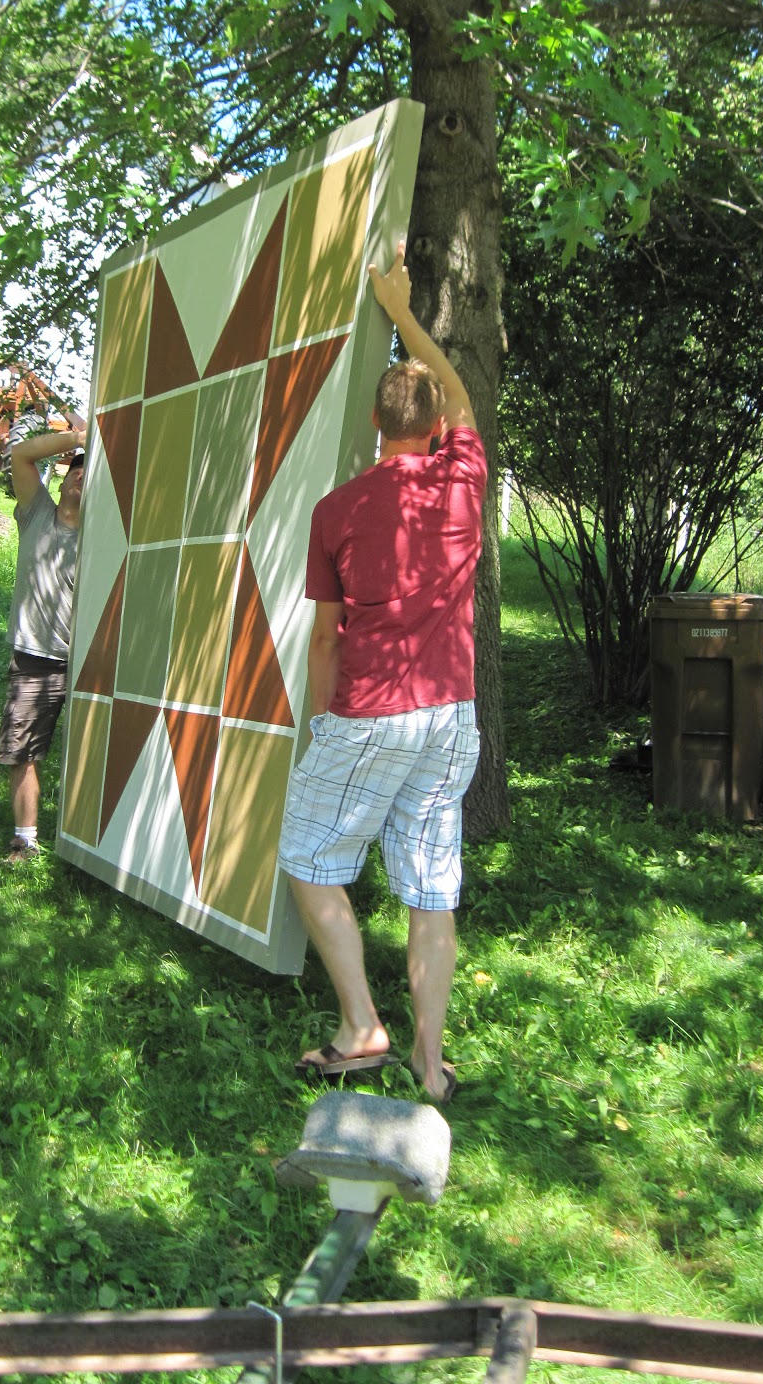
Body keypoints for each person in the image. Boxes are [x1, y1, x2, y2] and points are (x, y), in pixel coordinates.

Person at [277, 240, 487, 1101]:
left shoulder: (336, 510)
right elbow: (463, 395)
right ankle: (430, 1062)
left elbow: (326, 637)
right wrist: (402, 312)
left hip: (370, 710)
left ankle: (362, 1024)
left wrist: (322, 718)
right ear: (438, 431)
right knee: (430, 887)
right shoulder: (463, 478)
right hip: (450, 715)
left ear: (375, 425)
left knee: (309, 860)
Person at [0, 426, 85, 863]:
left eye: (91, 474)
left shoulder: (105, 540)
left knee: (95, 752)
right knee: (24, 752)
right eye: (76, 470)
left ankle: (93, 848)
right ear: (65, 477)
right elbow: (22, 454)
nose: (81, 477)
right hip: (34, 659)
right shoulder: (36, 513)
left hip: (88, 662)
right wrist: (80, 435)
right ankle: (25, 841)